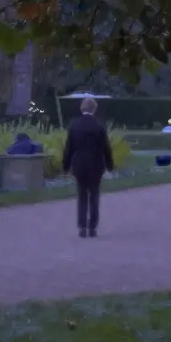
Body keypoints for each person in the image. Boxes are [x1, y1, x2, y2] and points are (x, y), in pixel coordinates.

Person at [61, 97, 115, 239]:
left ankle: (82, 226)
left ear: (82, 109)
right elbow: (106, 148)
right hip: (96, 163)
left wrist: (66, 165)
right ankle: (93, 227)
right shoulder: (99, 126)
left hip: (79, 164)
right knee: (94, 196)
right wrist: (110, 165)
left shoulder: (74, 126)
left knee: (82, 196)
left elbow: (69, 148)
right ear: (94, 109)